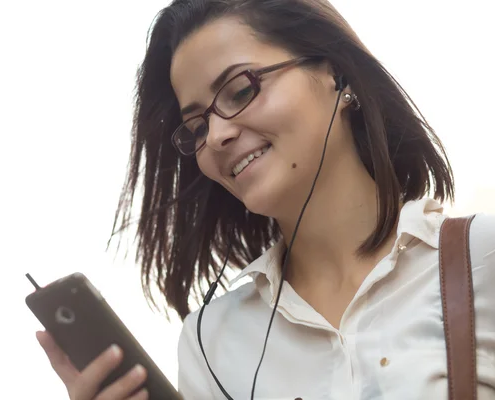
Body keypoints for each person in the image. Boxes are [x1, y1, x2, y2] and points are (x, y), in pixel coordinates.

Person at [36, 0, 495, 398]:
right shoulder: (212, 343)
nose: (215, 135)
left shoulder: (483, 258)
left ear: (335, 72)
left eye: (240, 90)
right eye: (196, 126)